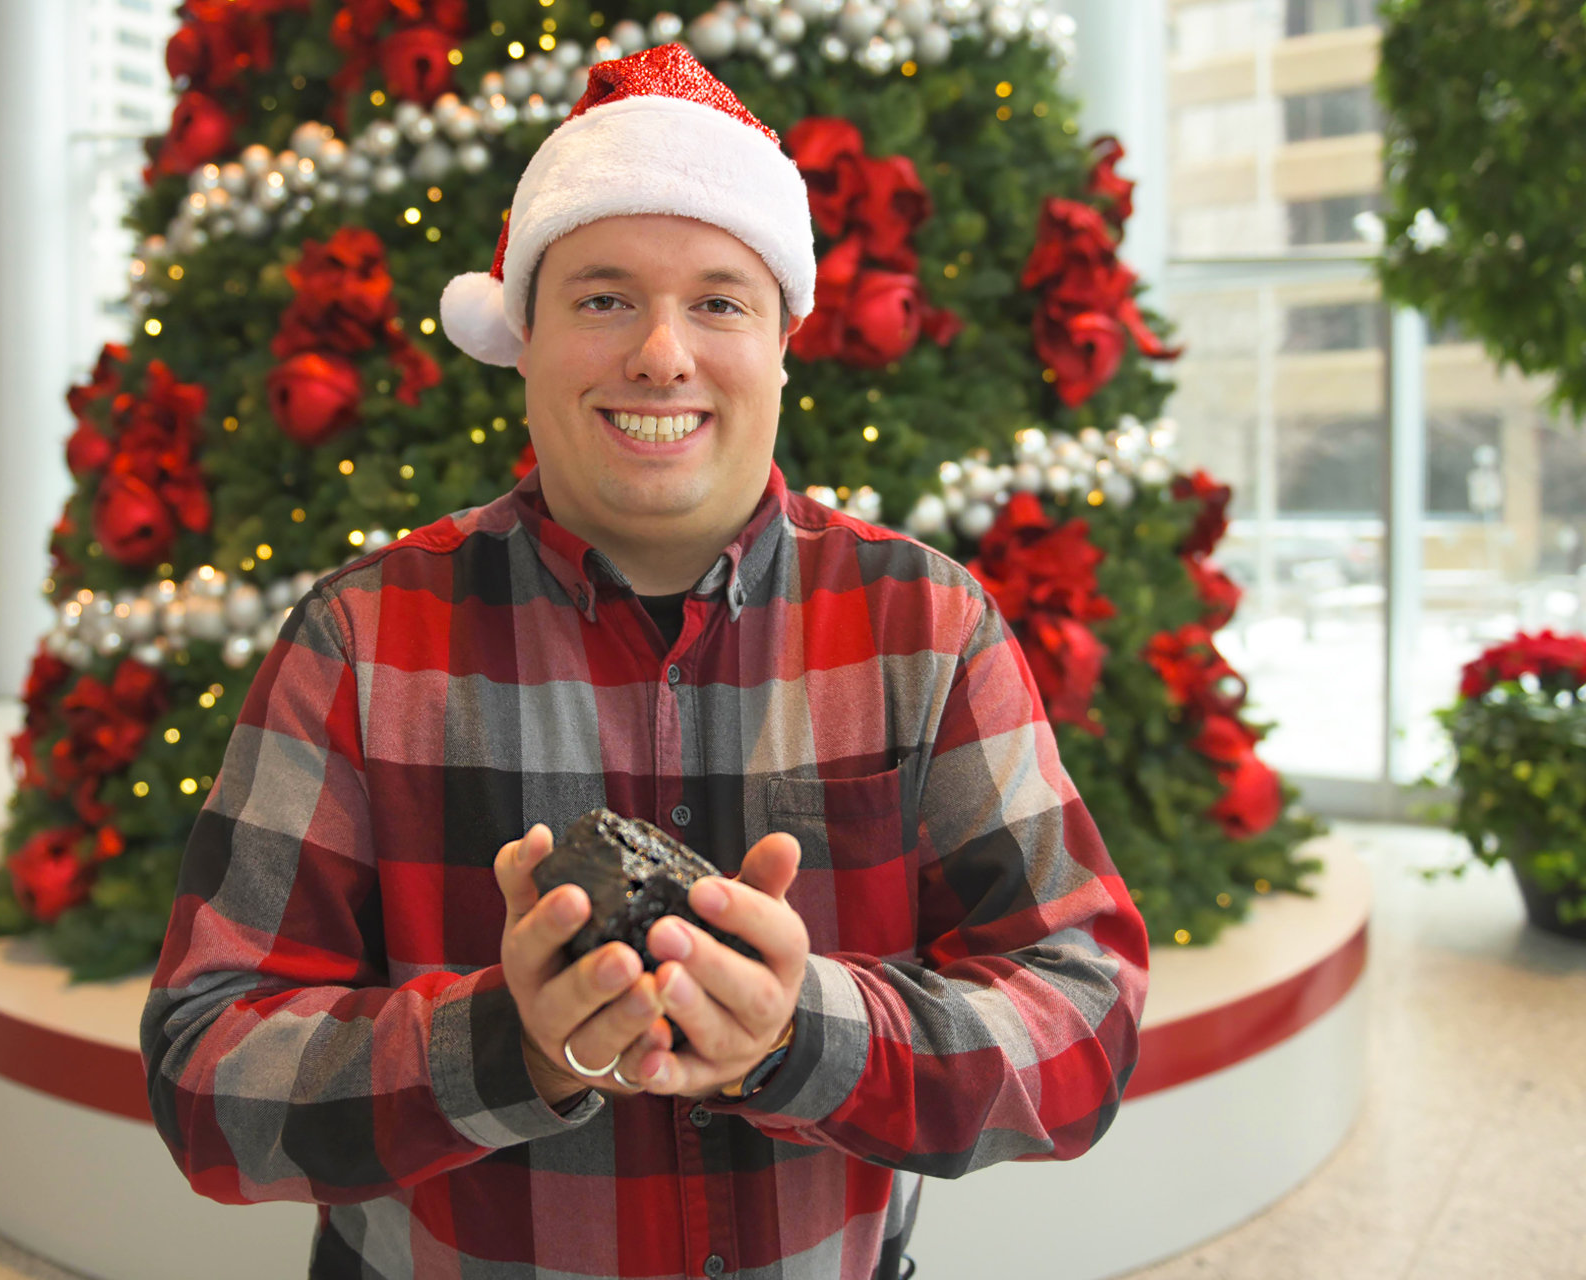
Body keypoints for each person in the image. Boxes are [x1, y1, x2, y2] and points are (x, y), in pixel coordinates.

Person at [141, 44, 1149, 1280]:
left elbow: (1086, 1017)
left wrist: (805, 1032)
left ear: (784, 343)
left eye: (720, 300)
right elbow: (204, 1075)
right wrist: (506, 1044)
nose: (662, 354)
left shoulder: (922, 626)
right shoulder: (364, 637)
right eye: (604, 297)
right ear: (524, 337)